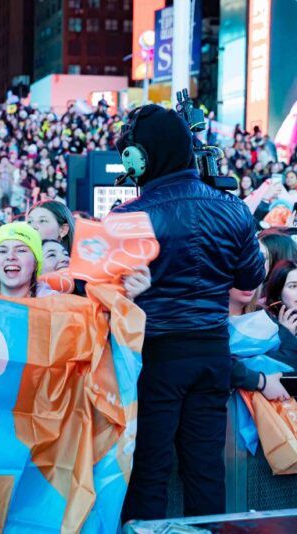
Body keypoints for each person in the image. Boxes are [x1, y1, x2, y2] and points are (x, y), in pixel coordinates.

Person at [113, 105, 266, 522]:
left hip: (154, 357)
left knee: (149, 471)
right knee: (205, 470)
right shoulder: (233, 208)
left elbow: (105, 290)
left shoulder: (128, 217)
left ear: (139, 157)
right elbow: (251, 278)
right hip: (213, 353)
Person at [0, 222, 55, 299]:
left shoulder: (55, 303)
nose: (10, 257)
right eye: (2, 251)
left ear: (36, 263)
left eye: (21, 250)